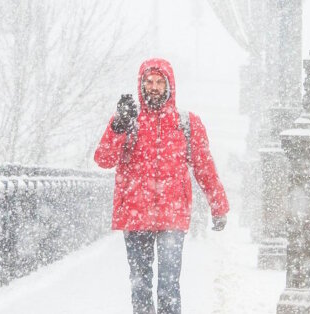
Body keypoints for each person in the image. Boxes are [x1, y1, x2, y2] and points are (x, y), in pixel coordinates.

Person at [94, 58, 229, 314]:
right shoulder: (128, 121)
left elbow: (204, 167)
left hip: (172, 215)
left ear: (169, 86)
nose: (153, 87)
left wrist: (218, 206)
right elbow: (103, 159)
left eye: (159, 82)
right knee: (140, 286)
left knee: (168, 286)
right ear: (141, 84)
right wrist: (117, 127)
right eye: (148, 81)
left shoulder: (186, 123)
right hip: (136, 213)